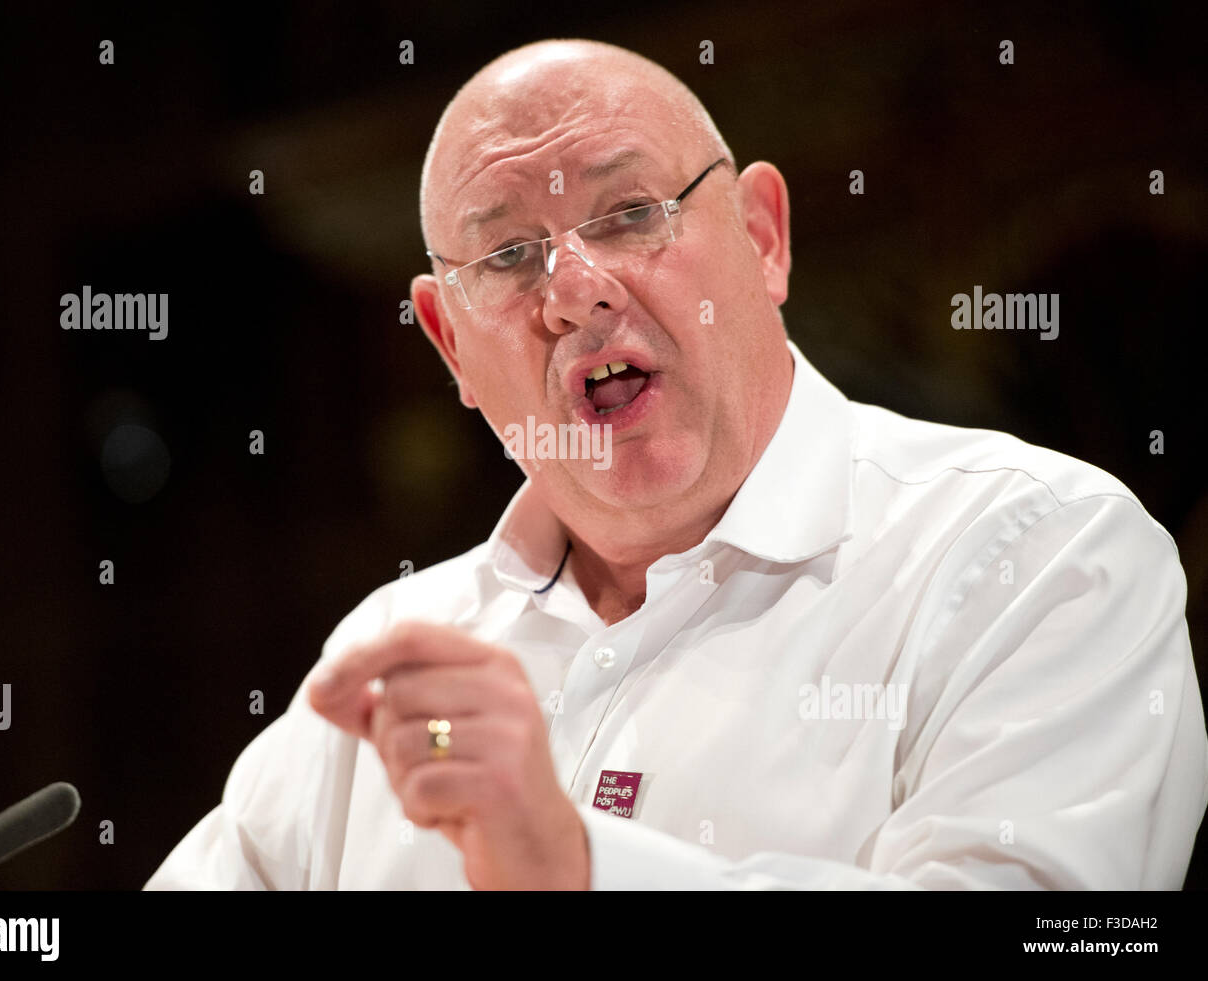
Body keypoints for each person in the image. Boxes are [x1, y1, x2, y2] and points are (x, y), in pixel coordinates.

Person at [145, 39, 1208, 890]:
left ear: (761, 237)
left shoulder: (1041, 551)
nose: (574, 290)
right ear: (450, 344)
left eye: (629, 213)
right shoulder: (393, 651)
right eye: (508, 255)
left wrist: (573, 866)